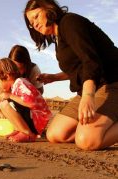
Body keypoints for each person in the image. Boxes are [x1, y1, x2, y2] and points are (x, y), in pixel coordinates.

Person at [24, 0, 118, 150]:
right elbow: (79, 69)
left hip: (112, 82)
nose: (34, 24)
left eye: (36, 16)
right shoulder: (58, 37)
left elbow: (91, 61)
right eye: (30, 22)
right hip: (93, 85)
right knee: (55, 134)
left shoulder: (69, 22)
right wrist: (54, 77)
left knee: (86, 141)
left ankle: (94, 131)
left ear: (49, 9)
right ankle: (96, 128)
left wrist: (88, 96)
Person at [0, 58, 51, 142]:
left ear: (7, 76)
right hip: (33, 119)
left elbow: (31, 103)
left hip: (37, 120)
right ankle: (20, 130)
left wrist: (9, 95)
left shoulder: (20, 82)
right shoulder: (15, 85)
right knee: (2, 104)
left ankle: (27, 133)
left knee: (5, 104)